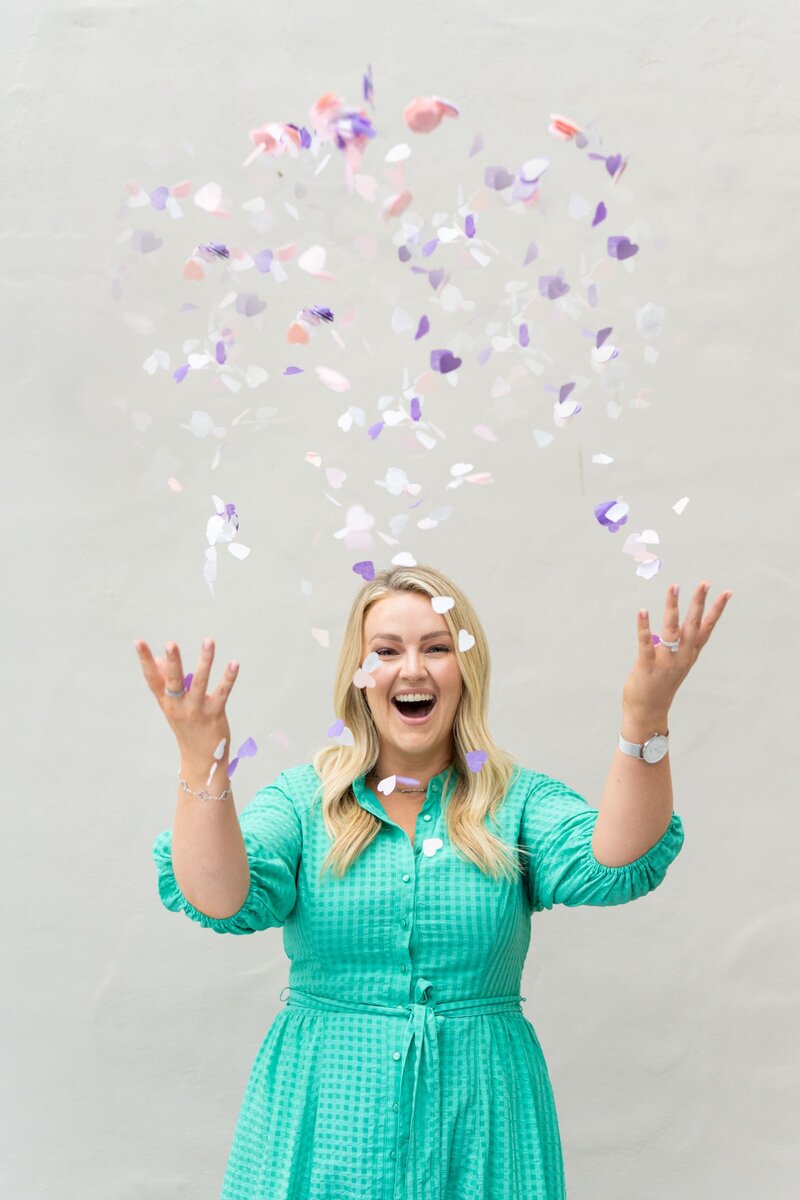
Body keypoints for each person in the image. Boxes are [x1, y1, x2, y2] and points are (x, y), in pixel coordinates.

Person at [135, 563, 732, 1199]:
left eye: (437, 647)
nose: (412, 669)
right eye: (386, 651)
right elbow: (220, 896)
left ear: (465, 670)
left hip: (484, 1125)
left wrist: (646, 718)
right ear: (359, 676)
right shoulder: (303, 802)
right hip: (325, 1120)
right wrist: (204, 759)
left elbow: (616, 860)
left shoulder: (517, 800)